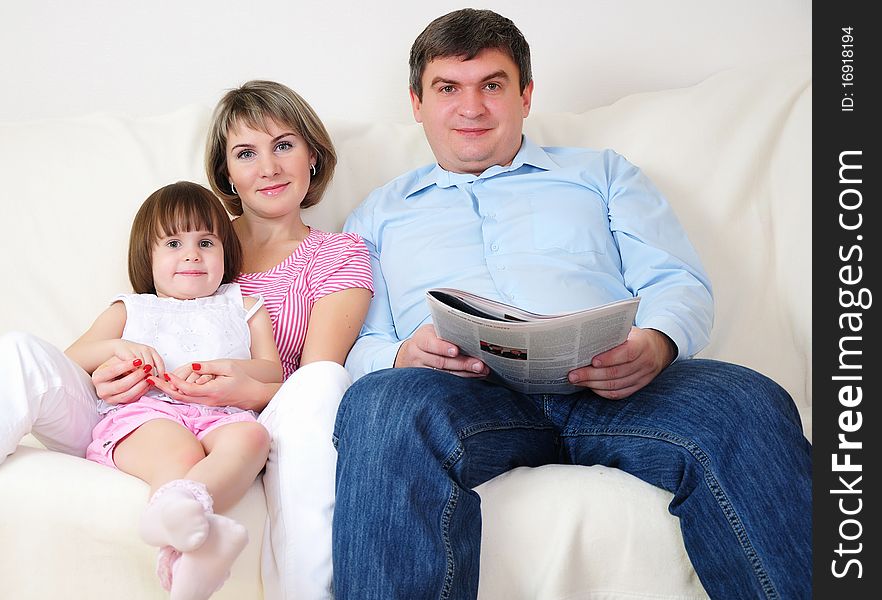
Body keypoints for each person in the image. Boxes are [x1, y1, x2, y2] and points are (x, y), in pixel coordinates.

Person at [334, 8, 811, 600]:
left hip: (616, 390)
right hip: (463, 400)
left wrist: (657, 343)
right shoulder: (376, 215)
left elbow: (677, 282)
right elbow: (357, 345)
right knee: (381, 404)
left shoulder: (602, 174)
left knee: (748, 399)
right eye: (448, 88)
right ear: (416, 102)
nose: (472, 107)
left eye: (493, 85)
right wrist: (404, 355)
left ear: (526, 94)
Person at [0, 81, 372, 600]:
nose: (268, 167)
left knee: (326, 379)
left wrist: (240, 386)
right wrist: (104, 369)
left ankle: (291, 582)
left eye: (284, 144)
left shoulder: (337, 253)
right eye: (246, 152)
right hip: (132, 411)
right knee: (19, 351)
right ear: (227, 173)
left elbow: (308, 386)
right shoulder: (181, 242)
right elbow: (90, 350)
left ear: (313, 156)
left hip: (241, 419)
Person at [66, 181, 278, 599]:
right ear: (148, 255)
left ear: (225, 253)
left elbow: (273, 373)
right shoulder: (131, 307)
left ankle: (180, 518)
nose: (191, 254)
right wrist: (116, 348)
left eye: (205, 241)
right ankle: (192, 546)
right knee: (180, 452)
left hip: (223, 413)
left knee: (254, 437)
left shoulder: (244, 305)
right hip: (149, 413)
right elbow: (72, 357)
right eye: (173, 243)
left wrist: (230, 369)